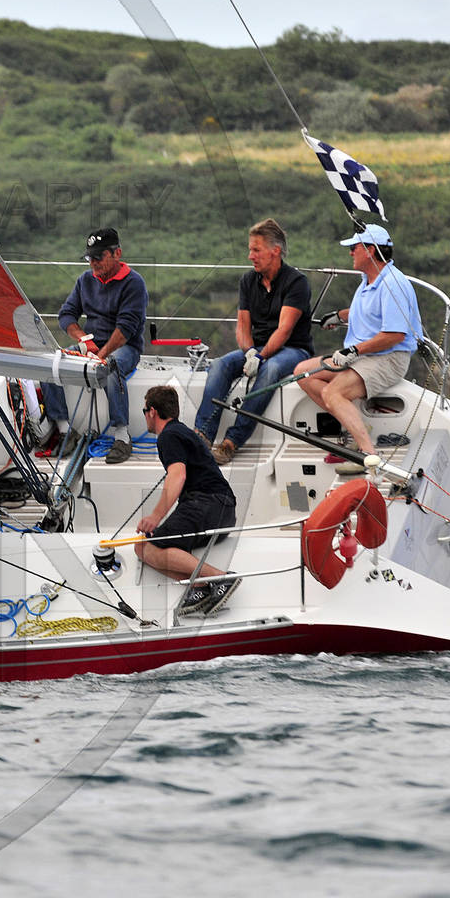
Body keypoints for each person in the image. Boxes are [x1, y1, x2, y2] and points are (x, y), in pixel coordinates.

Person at [292, 223, 422, 475]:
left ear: (371, 250)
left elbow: (395, 335)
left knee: (333, 393)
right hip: (366, 355)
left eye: (355, 247)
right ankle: (358, 426)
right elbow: (368, 311)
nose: (350, 252)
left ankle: (368, 456)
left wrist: (354, 351)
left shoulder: (393, 283)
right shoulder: (369, 280)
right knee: (303, 373)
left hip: (389, 357)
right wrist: (339, 316)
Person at [192, 218, 314, 464]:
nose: (250, 256)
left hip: (293, 349)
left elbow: (284, 330)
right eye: (250, 250)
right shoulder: (248, 281)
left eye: (256, 250)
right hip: (257, 347)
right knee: (220, 365)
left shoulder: (296, 282)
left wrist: (260, 357)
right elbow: (243, 326)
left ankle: (232, 441)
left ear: (275, 251)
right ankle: (201, 436)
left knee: (271, 369)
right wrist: (249, 352)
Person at [37, 227, 147, 464]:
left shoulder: (134, 283)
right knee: (50, 363)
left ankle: (122, 435)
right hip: (92, 345)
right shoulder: (84, 281)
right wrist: (84, 340)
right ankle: (65, 430)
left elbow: (125, 331)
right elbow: (66, 314)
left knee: (111, 366)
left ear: (117, 254)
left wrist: (101, 355)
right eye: (90, 258)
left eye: (99, 256)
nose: (93, 262)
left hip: (126, 347)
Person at [136, 385, 241, 617]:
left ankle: (221, 578)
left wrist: (155, 516)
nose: (145, 416)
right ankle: (199, 586)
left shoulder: (168, 436)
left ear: (152, 411)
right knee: (144, 547)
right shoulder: (183, 432)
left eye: (144, 411)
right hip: (224, 511)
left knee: (144, 546)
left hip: (205, 503)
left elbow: (178, 475)